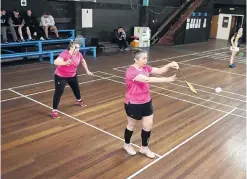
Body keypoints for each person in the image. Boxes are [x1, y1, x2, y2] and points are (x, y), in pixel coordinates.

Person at [123, 48, 179, 158]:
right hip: (133, 103)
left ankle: (144, 148)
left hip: (146, 102)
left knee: (148, 125)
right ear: (136, 59)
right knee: (132, 125)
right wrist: (166, 80)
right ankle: (126, 144)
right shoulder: (131, 71)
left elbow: (159, 71)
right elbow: (147, 80)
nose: (146, 60)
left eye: (146, 58)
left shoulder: (145, 68)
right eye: (144, 58)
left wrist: (169, 65)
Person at [51, 41, 93, 119]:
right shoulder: (65, 53)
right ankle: (54, 111)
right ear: (71, 47)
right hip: (61, 76)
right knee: (58, 92)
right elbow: (55, 61)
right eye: (76, 48)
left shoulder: (78, 54)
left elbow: (82, 61)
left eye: (78, 48)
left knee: (76, 89)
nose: (78, 49)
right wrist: (65, 62)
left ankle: (78, 100)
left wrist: (87, 70)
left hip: (72, 75)